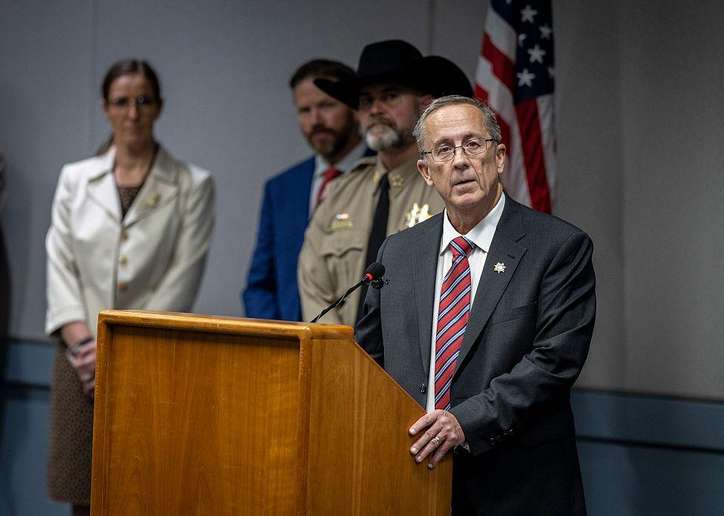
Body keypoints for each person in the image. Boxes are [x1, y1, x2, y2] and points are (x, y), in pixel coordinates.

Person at [355, 96, 596, 515]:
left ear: (500, 156)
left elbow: (554, 362)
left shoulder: (557, 247)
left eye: (473, 144)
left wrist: (463, 421)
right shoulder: (398, 253)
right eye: (444, 149)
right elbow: (366, 361)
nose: (461, 161)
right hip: (410, 479)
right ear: (426, 172)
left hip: (515, 487)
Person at [45, 59, 215, 516]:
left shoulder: (192, 184)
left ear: (159, 106)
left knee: (140, 487)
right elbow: (59, 265)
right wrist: (86, 347)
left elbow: (183, 276)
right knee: (83, 491)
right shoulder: (75, 179)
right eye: (122, 102)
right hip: (79, 361)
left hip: (150, 356)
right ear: (106, 108)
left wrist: (121, 350)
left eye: (143, 101)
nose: (133, 113)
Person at [298, 40, 473, 325]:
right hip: (342, 362)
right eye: (366, 101)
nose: (376, 109)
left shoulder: (453, 188)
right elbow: (314, 285)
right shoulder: (340, 193)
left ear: (425, 105)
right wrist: (341, 362)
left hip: (424, 364)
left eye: (390, 96)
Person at [242, 59, 367, 321]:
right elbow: (260, 285)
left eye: (327, 106)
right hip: (289, 344)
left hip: (359, 344)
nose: (316, 120)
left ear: (355, 108)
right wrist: (275, 341)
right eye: (304, 110)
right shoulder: (281, 188)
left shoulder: (385, 174)